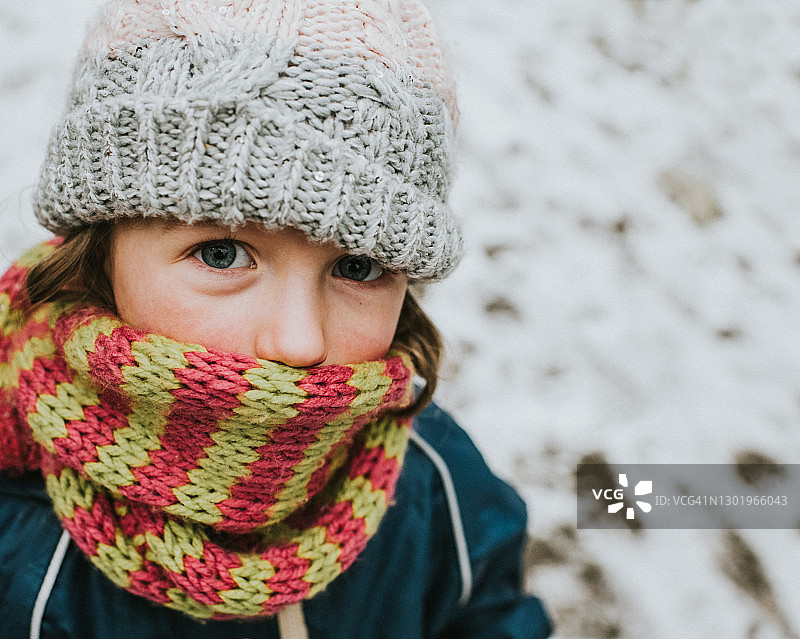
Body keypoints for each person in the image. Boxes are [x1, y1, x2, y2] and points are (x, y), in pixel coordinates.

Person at [0, 1, 552, 637]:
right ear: (98, 256)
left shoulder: (434, 483)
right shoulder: (17, 530)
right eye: (222, 253)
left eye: (359, 268)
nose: (299, 342)